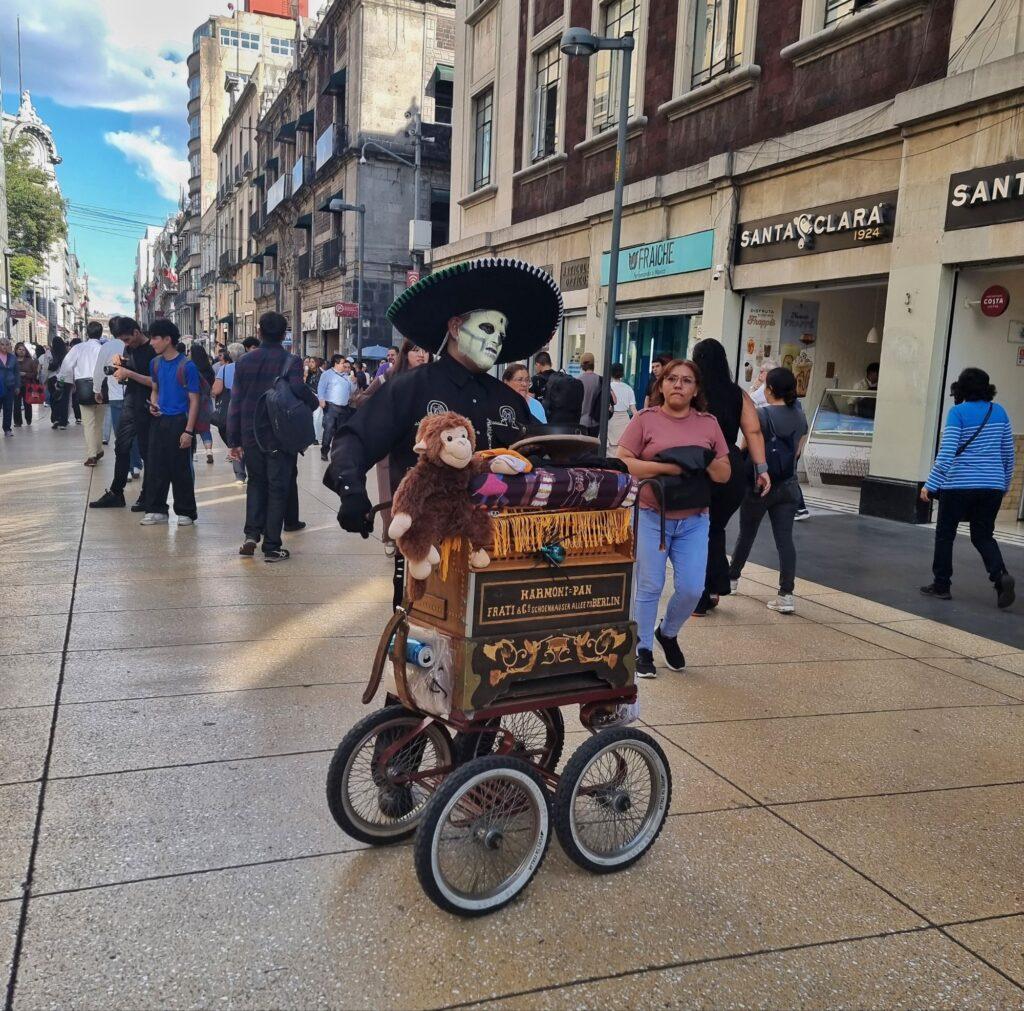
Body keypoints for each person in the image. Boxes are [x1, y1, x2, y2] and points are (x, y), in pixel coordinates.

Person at [326, 258, 556, 609]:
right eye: (488, 329)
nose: (498, 340)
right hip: (430, 551)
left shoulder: (510, 400)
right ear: (454, 326)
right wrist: (351, 490)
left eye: (503, 333)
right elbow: (354, 438)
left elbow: (538, 454)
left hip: (501, 554)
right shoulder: (410, 388)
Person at [617, 359, 731, 677]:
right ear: (661, 385)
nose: (678, 384)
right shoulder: (645, 419)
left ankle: (666, 633)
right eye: (671, 378)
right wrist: (667, 468)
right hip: (652, 514)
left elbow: (723, 473)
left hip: (694, 519)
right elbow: (624, 461)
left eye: (686, 380)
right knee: (650, 585)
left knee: (693, 589)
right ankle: (642, 649)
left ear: (696, 390)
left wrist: (699, 460)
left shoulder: (708, 424)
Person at [226, 311, 318, 562]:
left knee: (256, 483)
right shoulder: (291, 361)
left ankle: (251, 535)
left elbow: (236, 402)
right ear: (284, 333)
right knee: (278, 488)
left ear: (259, 332)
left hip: (251, 433)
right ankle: (272, 546)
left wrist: (233, 440)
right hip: (280, 434)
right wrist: (313, 403)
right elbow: (299, 388)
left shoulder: (244, 362)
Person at [920, 367, 1015, 608]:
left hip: (959, 485)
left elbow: (948, 452)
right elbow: (1008, 453)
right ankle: (1000, 576)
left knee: (945, 534)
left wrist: (930, 485)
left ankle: (942, 585)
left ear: (961, 388)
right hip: (991, 486)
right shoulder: (1000, 412)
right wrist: (1003, 484)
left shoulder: (958, 413)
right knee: (983, 535)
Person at [691, 338, 770, 615]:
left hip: (700, 467)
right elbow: (754, 432)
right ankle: (714, 588)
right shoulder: (739, 394)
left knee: (699, 530)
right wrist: (762, 470)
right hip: (733, 468)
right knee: (715, 527)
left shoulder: (694, 393)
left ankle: (702, 593)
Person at [728, 368, 809, 615]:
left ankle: (731, 580)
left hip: (760, 484)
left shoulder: (760, 415)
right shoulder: (799, 415)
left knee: (747, 534)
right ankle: (786, 595)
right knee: (785, 540)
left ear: (770, 389)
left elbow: (746, 448)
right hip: (789, 485)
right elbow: (797, 451)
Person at [90, 318, 156, 511]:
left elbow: (156, 381)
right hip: (130, 401)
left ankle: (147, 494)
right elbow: (133, 369)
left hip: (147, 404)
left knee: (146, 451)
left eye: (127, 340)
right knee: (121, 447)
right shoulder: (130, 348)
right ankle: (116, 492)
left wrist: (129, 373)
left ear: (136, 332)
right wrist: (122, 363)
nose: (126, 344)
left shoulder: (152, 349)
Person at [142, 320, 200, 527]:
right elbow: (155, 389)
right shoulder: (155, 363)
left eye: (155, 338)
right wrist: (153, 404)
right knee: (155, 465)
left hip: (180, 421)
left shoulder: (187, 366)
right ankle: (156, 509)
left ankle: (185, 511)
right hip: (159, 420)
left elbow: (194, 400)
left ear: (168, 340)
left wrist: (188, 431)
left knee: (180, 468)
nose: (151, 342)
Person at [57, 321, 107, 465]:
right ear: (101, 333)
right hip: (101, 386)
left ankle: (92, 454)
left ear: (87, 333)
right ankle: (98, 449)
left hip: (83, 385)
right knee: (98, 422)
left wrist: (63, 382)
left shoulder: (78, 348)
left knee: (88, 423)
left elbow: (66, 367)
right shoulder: (103, 349)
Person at [211, 341, 248, 484]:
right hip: (247, 409)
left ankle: (240, 474)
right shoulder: (249, 367)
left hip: (230, 411)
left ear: (230, 355)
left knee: (234, 440)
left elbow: (216, 390)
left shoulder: (225, 369)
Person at [317, 354, 353, 462]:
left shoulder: (346, 376)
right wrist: (321, 399)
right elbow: (321, 387)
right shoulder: (327, 375)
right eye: (342, 363)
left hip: (344, 408)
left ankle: (337, 453)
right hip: (331, 407)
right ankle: (324, 450)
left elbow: (350, 390)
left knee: (341, 432)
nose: (344, 365)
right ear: (336, 364)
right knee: (329, 430)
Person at [190, 344, 217, 465]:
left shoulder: (190, 368)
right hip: (205, 403)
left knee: (191, 428)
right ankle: (209, 451)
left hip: (191, 402)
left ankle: (193, 453)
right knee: (205, 428)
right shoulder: (209, 369)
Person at [608, 362, 636, 449]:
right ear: (622, 374)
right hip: (625, 419)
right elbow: (633, 409)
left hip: (611, 418)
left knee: (611, 448)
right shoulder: (628, 388)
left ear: (611, 373)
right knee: (622, 446)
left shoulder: (608, 387)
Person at [44, 336, 69, 429]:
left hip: (52, 377)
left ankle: (55, 418)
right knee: (63, 399)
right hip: (62, 378)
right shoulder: (66, 353)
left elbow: (46, 366)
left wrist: (44, 379)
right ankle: (63, 420)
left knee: (53, 398)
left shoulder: (49, 352)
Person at [578, 352, 605, 437]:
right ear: (593, 364)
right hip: (595, 421)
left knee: (582, 448)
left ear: (582, 365)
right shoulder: (601, 380)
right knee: (593, 447)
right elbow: (614, 400)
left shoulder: (577, 381)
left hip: (581, 421)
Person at [12, 342, 39, 429]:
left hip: (28, 385)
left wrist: (25, 374)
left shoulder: (30, 361)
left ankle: (28, 419)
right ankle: (18, 422)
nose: (21, 351)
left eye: (23, 350)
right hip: (16, 385)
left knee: (27, 403)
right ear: (16, 350)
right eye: (19, 349)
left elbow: (35, 374)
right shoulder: (12, 360)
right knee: (16, 404)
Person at [0, 338, 20, 435]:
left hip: (10, 386)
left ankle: (7, 429)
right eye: (2, 344)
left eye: (7, 344)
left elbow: (16, 373)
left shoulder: (13, 358)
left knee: (8, 408)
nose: (4, 346)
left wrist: (17, 386)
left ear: (9, 346)